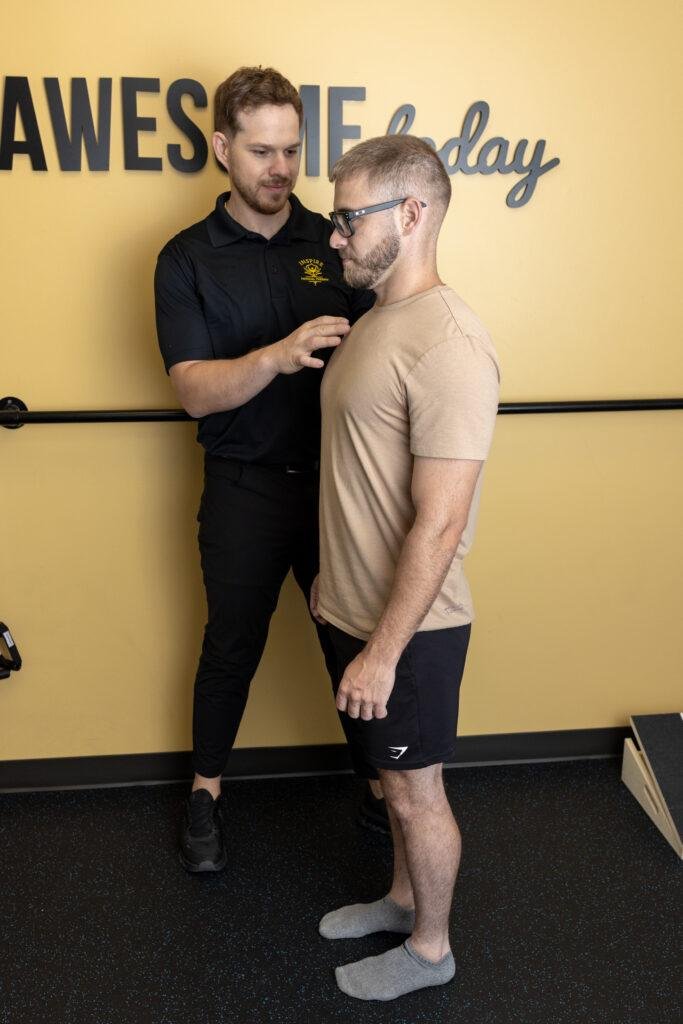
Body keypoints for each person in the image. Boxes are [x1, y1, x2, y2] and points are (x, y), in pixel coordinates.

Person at [154, 66, 379, 874]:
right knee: (231, 645)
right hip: (243, 487)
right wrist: (279, 356)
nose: (279, 168)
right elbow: (192, 391)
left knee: (352, 642)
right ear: (221, 148)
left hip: (336, 492)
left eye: (290, 150)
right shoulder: (185, 258)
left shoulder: (333, 239)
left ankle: (387, 790)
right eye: (259, 151)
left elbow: (390, 348)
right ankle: (206, 794)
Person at [310, 134, 500, 1000]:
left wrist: (384, 649)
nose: (336, 235)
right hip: (349, 609)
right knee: (391, 782)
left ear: (411, 214)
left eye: (349, 218)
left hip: (409, 631)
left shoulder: (450, 342)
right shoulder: (380, 321)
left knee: (418, 791)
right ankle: (398, 897)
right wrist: (332, 586)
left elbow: (441, 519)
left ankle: (431, 948)